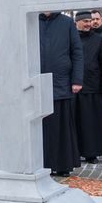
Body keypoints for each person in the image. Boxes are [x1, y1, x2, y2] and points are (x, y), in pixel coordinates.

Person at [38, 11, 83, 174]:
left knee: (61, 127)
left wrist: (77, 79)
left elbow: (76, 51)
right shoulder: (31, 19)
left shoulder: (66, 22)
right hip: (37, 82)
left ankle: (62, 165)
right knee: (41, 128)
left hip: (61, 82)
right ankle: (42, 164)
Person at [74, 11, 102, 163]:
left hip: (93, 86)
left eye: (89, 21)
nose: (88, 24)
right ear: (77, 22)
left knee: (90, 122)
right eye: (85, 21)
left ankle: (91, 153)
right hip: (74, 87)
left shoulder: (98, 40)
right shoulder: (71, 38)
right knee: (75, 121)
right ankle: (75, 151)